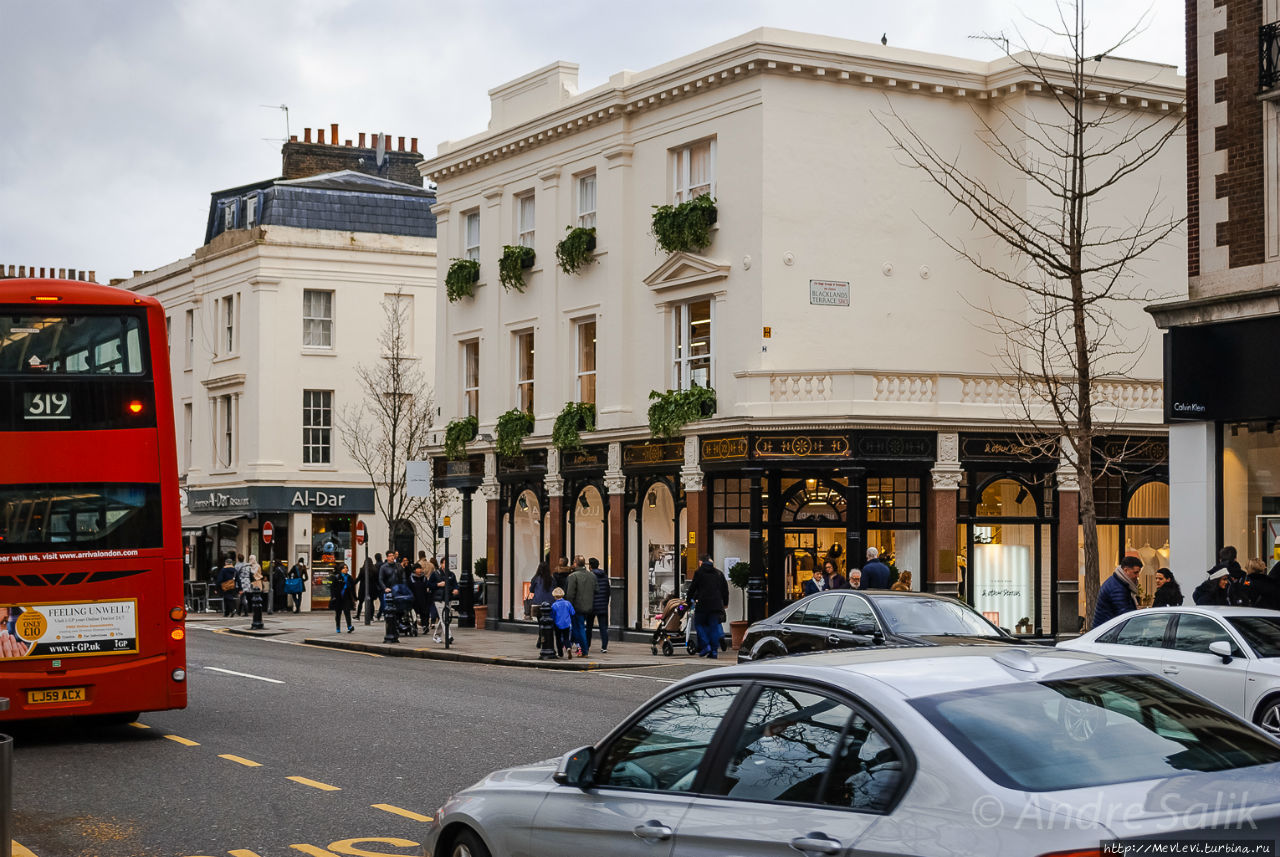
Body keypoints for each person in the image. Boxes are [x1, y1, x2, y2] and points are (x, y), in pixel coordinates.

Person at [687, 553, 729, 658]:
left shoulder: (699, 573)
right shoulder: (718, 573)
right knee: (714, 628)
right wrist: (725, 603)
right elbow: (725, 590)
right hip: (716, 605)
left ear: (701, 562)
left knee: (699, 624)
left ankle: (706, 645)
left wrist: (688, 601)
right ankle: (714, 652)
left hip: (703, 604)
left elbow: (693, 588)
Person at [1093, 555, 1141, 628]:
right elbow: (1125, 615)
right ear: (1126, 570)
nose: (1137, 576)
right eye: (1135, 572)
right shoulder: (1117, 588)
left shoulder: (1118, 583)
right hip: (1107, 630)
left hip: (1106, 629)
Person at [565, 557, 597, 656]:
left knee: (578, 628)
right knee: (580, 627)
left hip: (576, 607)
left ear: (576, 564)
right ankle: (577, 647)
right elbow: (597, 590)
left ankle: (584, 650)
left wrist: (568, 608)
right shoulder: (592, 575)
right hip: (589, 606)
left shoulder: (573, 576)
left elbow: (570, 594)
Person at [427, 558, 459, 643]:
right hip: (439, 599)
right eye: (444, 563)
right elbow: (429, 584)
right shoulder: (436, 573)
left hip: (448, 598)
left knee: (444, 618)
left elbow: (455, 584)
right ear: (441, 564)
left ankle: (436, 636)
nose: (446, 565)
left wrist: (455, 589)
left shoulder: (451, 574)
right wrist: (438, 584)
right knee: (444, 617)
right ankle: (448, 636)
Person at [588, 557, 611, 654]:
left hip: (592, 605)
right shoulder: (604, 576)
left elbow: (589, 591)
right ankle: (604, 647)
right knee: (603, 627)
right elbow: (608, 591)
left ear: (590, 566)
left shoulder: (590, 576)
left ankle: (587, 645)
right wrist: (605, 602)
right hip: (602, 605)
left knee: (589, 627)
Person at [330, 561, 355, 633]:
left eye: (346, 568)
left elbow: (352, 588)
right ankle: (338, 627)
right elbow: (332, 588)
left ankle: (349, 626)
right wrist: (333, 596)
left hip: (346, 598)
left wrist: (354, 597)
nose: (346, 569)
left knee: (347, 612)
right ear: (340, 569)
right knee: (338, 613)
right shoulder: (337, 577)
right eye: (344, 568)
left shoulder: (349, 577)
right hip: (338, 598)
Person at [550, 587, 575, 658]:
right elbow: (573, 612)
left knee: (558, 639)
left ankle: (560, 653)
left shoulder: (554, 605)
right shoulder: (567, 603)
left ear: (554, 596)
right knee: (566, 638)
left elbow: (552, 615)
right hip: (567, 623)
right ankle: (568, 648)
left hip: (557, 624)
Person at [408, 559, 431, 632]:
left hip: (423, 597)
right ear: (414, 570)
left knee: (424, 612)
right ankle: (414, 626)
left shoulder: (424, 578)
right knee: (414, 613)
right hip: (414, 598)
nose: (420, 570)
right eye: (418, 568)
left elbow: (427, 586)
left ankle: (425, 625)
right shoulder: (411, 578)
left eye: (420, 568)